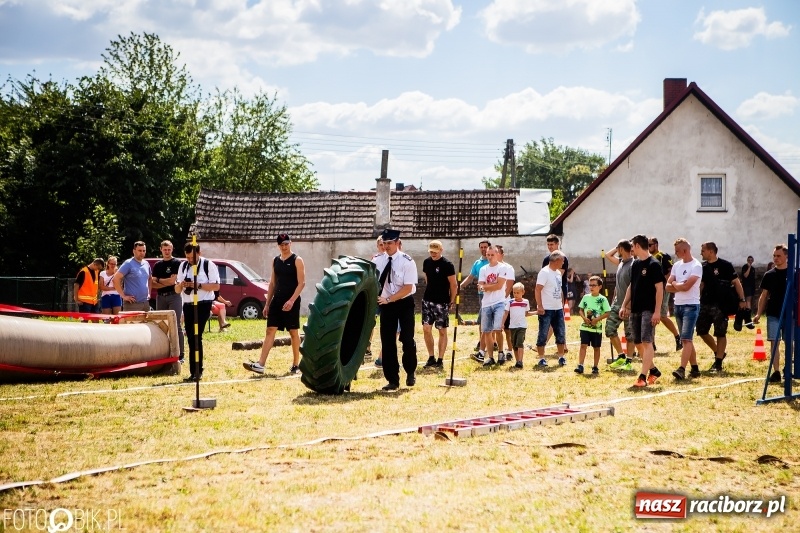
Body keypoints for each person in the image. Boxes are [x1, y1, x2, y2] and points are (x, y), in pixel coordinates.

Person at [244, 234, 306, 375]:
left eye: (286, 244)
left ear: (291, 243)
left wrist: (291, 300)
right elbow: (272, 283)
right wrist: (267, 304)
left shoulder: (297, 260)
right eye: (281, 245)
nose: (284, 247)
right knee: (270, 330)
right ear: (278, 246)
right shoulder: (275, 261)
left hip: (292, 300)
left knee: (293, 332)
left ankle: (296, 365)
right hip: (277, 300)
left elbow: (302, 283)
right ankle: (260, 364)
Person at [372, 229, 418, 390]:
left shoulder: (407, 261)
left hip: (404, 302)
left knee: (406, 339)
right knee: (387, 341)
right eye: (384, 243)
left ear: (398, 243)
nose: (386, 246)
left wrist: (389, 298)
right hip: (386, 305)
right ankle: (392, 380)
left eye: (390, 243)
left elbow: (408, 287)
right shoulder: (378, 260)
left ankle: (410, 371)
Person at [620, 234, 664, 387]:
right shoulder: (636, 264)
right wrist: (624, 304)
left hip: (649, 309)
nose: (631, 249)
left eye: (632, 246)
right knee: (638, 342)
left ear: (638, 246)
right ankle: (654, 370)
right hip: (636, 309)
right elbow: (631, 286)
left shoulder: (654, 264)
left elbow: (660, 289)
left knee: (647, 341)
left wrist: (657, 311)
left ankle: (642, 377)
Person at [697, 242, 747, 373]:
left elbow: (736, 283)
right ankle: (718, 351)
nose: (701, 253)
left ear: (711, 251)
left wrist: (742, 300)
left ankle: (718, 362)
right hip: (705, 303)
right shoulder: (703, 267)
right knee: (701, 331)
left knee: (720, 332)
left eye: (703, 250)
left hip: (721, 305)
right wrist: (697, 300)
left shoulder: (726, 265)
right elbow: (701, 285)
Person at [175, 242, 221, 380]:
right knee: (190, 337)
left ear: (199, 253)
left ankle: (198, 370)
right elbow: (177, 290)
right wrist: (181, 285)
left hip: (203, 304)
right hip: (188, 304)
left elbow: (216, 286)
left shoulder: (208, 265)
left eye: (192, 257)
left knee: (196, 335)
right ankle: (193, 372)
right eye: (188, 257)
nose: (190, 260)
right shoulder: (183, 266)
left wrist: (198, 285)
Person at [667, 239, 703, 380]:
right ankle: (694, 368)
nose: (675, 254)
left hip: (691, 305)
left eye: (677, 251)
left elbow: (687, 287)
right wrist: (678, 284)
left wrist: (675, 284)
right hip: (678, 305)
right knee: (686, 339)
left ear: (685, 250)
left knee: (686, 339)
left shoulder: (696, 266)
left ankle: (682, 369)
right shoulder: (676, 265)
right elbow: (667, 286)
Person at [754, 245, 789, 383]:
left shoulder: (793, 273)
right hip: (773, 313)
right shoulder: (769, 275)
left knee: (790, 343)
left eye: (778, 255)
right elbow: (763, 296)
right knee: (774, 343)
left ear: (786, 256)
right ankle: (776, 372)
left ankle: (788, 369)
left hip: (789, 314)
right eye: (774, 255)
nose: (775, 258)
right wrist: (758, 314)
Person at [421, 240, 457, 369]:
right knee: (426, 329)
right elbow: (427, 279)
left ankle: (440, 360)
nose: (433, 254)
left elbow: (453, 284)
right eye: (431, 251)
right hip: (427, 300)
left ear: (441, 250)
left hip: (442, 302)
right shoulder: (426, 262)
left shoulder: (447, 265)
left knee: (442, 330)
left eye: (435, 252)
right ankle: (431, 357)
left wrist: (451, 300)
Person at [151, 240, 185, 363]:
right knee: (162, 325)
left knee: (176, 325)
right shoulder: (157, 265)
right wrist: (164, 281)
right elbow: (153, 283)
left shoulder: (177, 263)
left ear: (172, 249)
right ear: (161, 250)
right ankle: (164, 352)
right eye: (164, 249)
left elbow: (173, 282)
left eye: (169, 249)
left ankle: (181, 354)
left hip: (174, 296)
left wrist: (160, 280)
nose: (167, 251)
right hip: (160, 297)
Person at [477, 245, 510, 367]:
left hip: (499, 302)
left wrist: (485, 286)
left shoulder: (502, 268)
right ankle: (490, 357)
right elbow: (480, 286)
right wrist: (485, 287)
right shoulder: (483, 269)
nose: (490, 257)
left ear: (497, 255)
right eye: (488, 255)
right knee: (486, 331)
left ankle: (501, 352)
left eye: (492, 255)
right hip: (486, 303)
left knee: (497, 329)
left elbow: (499, 286)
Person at [606, 240, 636, 370]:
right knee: (609, 329)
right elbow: (608, 255)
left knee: (630, 335)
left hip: (630, 306)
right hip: (617, 303)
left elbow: (634, 287)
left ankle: (628, 361)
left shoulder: (634, 265)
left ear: (622, 249)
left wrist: (628, 306)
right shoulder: (621, 263)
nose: (617, 250)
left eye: (618, 248)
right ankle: (621, 356)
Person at [649, 237, 682, 351]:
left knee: (662, 316)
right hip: (650, 290)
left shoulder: (663, 256)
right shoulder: (648, 257)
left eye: (650, 245)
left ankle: (677, 337)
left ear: (656, 245)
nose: (648, 247)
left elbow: (670, 271)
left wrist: (668, 285)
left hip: (662, 288)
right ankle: (651, 343)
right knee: (650, 315)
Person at [535, 250, 567, 367]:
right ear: (556, 260)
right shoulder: (544, 272)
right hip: (546, 309)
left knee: (560, 333)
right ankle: (542, 358)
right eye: (562, 260)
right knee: (543, 333)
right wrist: (540, 305)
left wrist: (562, 304)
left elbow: (560, 289)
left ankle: (561, 357)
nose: (563, 262)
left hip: (558, 308)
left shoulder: (558, 273)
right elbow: (538, 289)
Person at [575, 275, 610, 375]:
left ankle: (595, 366)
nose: (591, 287)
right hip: (585, 327)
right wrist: (584, 318)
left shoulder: (603, 299)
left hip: (596, 328)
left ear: (600, 287)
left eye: (594, 285)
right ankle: (580, 365)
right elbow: (581, 310)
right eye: (590, 285)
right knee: (583, 345)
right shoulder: (586, 297)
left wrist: (597, 319)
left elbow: (607, 313)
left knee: (596, 347)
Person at [461, 239, 490, 360]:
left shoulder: (493, 260)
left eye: (485, 247)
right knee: (482, 319)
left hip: (493, 293)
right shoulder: (477, 263)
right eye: (481, 247)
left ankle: (490, 342)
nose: (483, 249)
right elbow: (470, 277)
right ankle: (481, 341)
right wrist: (460, 286)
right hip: (481, 295)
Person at [112, 241, 151, 312]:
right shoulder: (128, 263)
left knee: (146, 323)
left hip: (145, 303)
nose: (142, 253)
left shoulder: (146, 264)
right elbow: (115, 279)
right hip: (132, 304)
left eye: (144, 251)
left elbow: (150, 279)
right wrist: (123, 296)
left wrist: (149, 293)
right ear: (134, 251)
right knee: (132, 323)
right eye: (139, 250)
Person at [503, 282, 534, 369]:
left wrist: (536, 312)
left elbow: (526, 314)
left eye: (518, 293)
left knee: (520, 343)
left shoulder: (526, 302)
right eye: (514, 293)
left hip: (522, 326)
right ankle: (517, 361)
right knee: (514, 344)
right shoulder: (510, 302)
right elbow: (506, 313)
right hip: (512, 326)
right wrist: (502, 323)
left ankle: (520, 361)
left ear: (523, 292)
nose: (516, 295)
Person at [495, 244, 515, 363]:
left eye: (497, 253)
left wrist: (503, 298)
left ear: (502, 254)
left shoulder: (508, 268)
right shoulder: (490, 268)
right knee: (496, 329)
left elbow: (509, 285)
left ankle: (510, 351)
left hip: (505, 302)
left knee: (508, 329)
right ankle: (500, 351)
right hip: (494, 302)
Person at [369, 236, 385, 366]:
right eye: (380, 245)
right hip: (376, 296)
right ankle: (367, 349)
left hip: (388, 297)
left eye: (385, 244)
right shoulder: (375, 260)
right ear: (377, 246)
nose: (383, 247)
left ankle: (383, 354)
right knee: (370, 323)